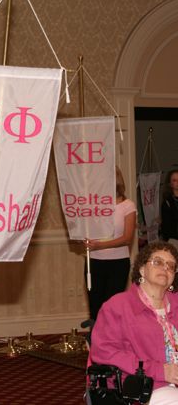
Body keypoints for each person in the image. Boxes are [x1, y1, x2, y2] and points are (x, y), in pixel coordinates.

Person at [90, 241, 178, 405]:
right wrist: (160, 371)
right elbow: (104, 352)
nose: (165, 268)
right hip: (143, 386)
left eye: (171, 265)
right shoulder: (118, 307)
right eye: (157, 262)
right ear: (142, 269)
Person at [84, 166, 137, 321]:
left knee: (113, 309)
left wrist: (100, 245)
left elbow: (127, 238)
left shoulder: (128, 205)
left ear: (117, 180)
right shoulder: (93, 204)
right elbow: (86, 228)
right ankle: (95, 342)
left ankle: (114, 343)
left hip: (118, 264)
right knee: (95, 308)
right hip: (93, 262)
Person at [160, 170, 178, 246]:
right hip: (174, 241)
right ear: (170, 183)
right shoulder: (167, 202)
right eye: (174, 180)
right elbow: (167, 228)